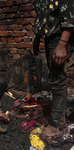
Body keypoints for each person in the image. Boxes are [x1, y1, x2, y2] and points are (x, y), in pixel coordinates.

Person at [31, 1, 74, 137]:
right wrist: (37, 38)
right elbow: (42, 15)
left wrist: (62, 44)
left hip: (60, 36)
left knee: (57, 79)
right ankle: (60, 119)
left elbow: (69, 14)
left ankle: (55, 125)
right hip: (50, 37)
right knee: (55, 78)